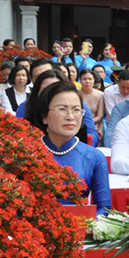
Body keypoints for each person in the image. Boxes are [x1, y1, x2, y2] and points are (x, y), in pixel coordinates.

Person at [36, 81, 111, 216]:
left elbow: (104, 208)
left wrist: (91, 225)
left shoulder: (94, 156)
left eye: (76, 110)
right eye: (62, 109)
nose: (70, 116)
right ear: (44, 116)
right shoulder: (28, 153)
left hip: (79, 230)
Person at [78, 69, 106, 138]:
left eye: (90, 79)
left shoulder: (100, 95)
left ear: (93, 80)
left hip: (95, 126)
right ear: (80, 80)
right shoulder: (75, 94)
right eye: (84, 79)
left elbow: (100, 116)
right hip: (78, 124)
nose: (87, 81)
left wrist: (88, 123)